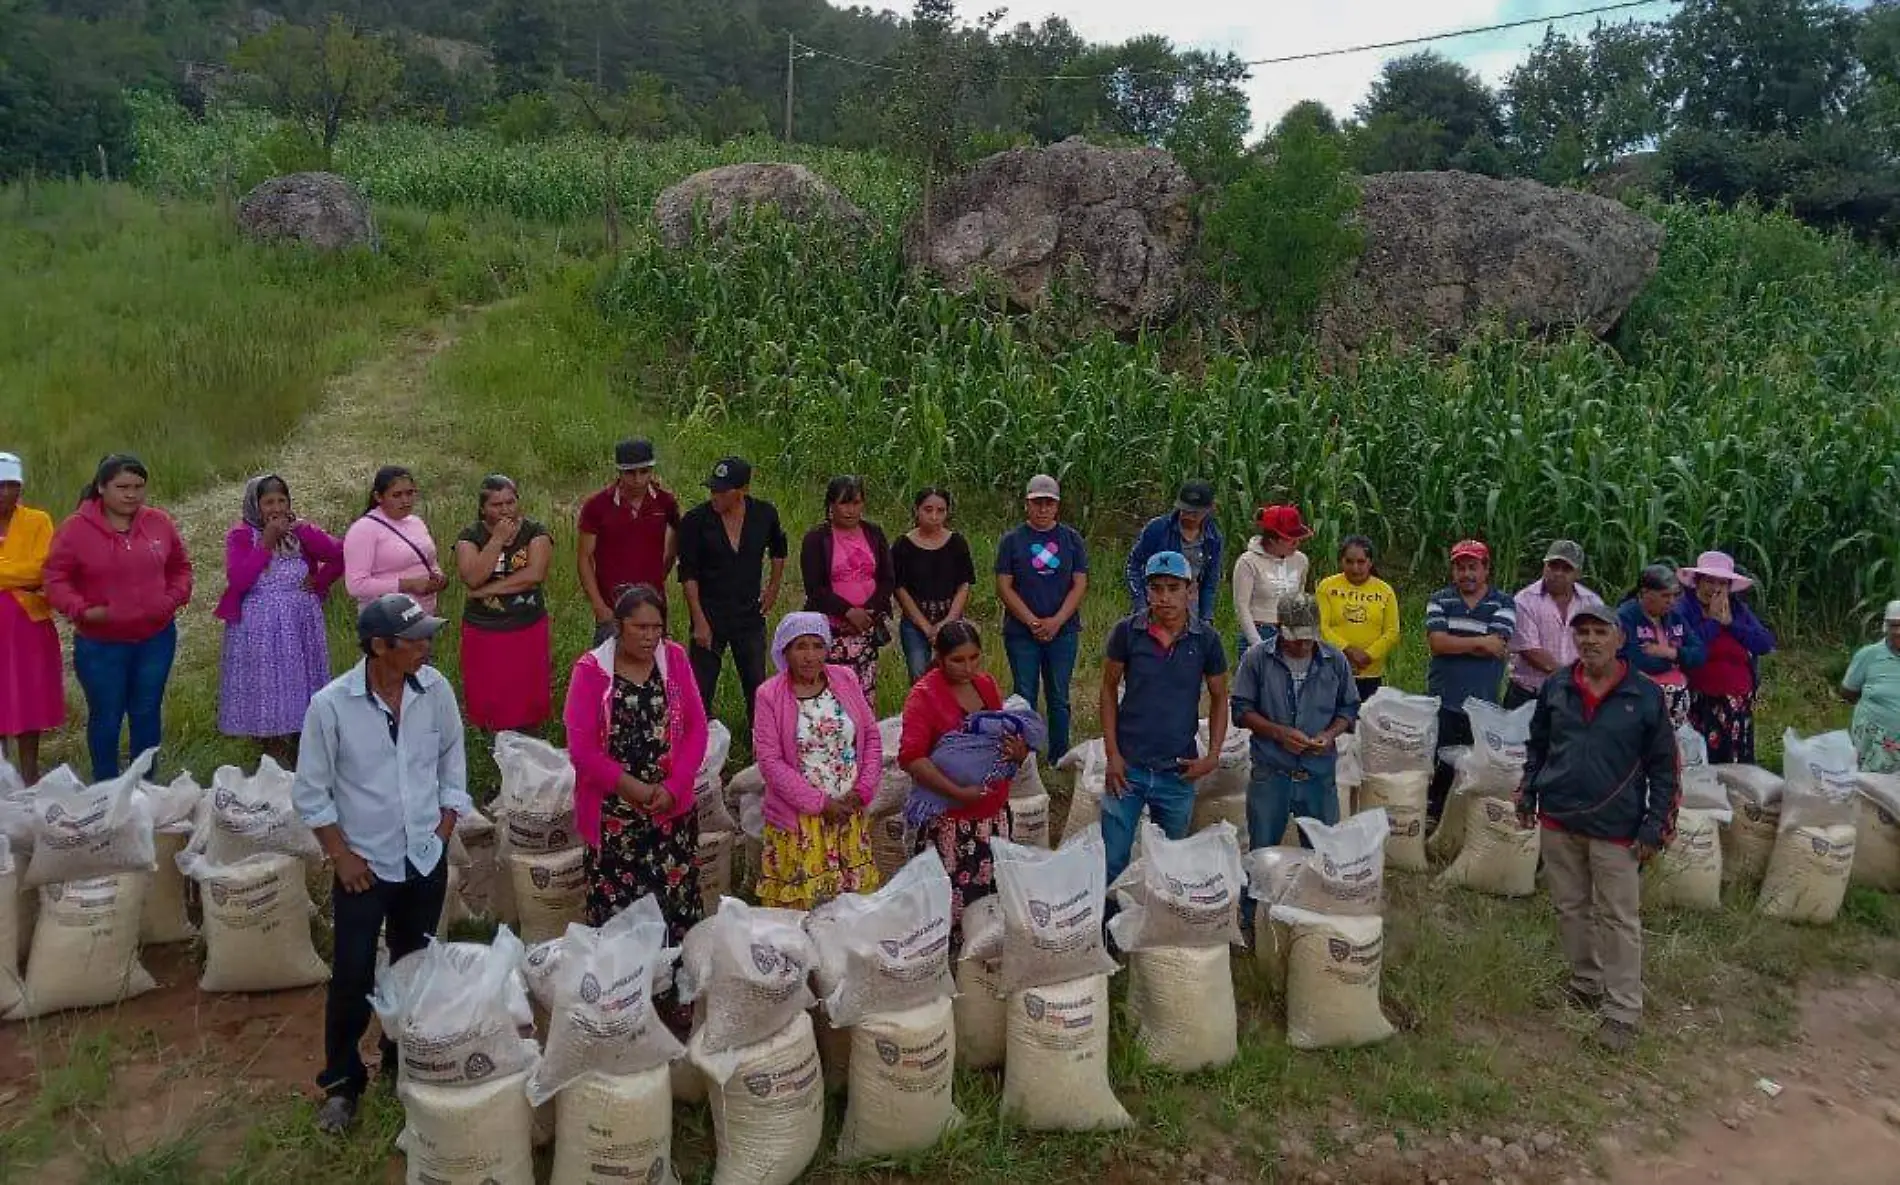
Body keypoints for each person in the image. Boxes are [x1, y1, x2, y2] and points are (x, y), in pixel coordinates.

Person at [292, 593, 471, 1135]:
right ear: (379, 646)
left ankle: (401, 1061)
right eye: (415, 639)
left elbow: (451, 759)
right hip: (364, 865)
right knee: (350, 973)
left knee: (411, 966)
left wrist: (443, 829)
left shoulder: (434, 690)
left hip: (423, 857)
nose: (426, 647)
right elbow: (311, 791)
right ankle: (343, 1083)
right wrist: (340, 855)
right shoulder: (331, 705)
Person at [1515, 602, 1676, 1053]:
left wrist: (1655, 827)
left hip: (1616, 827)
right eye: (1582, 631)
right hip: (1560, 818)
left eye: (1599, 631)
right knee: (1571, 908)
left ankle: (1623, 1010)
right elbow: (1538, 745)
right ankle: (1586, 983)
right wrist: (1528, 792)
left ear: (1620, 638)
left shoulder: (1643, 696)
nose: (1589, 639)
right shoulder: (1558, 686)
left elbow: (1665, 768)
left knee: (1619, 918)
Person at [563, 584, 708, 1009]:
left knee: (675, 902)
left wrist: (673, 786)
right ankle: (624, 998)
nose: (649, 636)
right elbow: (582, 749)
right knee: (620, 909)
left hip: (670, 811)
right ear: (617, 626)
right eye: (639, 627)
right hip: (615, 814)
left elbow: (697, 729)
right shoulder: (591, 671)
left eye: (657, 628)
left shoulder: (675, 659)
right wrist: (633, 788)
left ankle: (677, 995)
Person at [43, 454, 193, 780]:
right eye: (122, 486)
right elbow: (55, 579)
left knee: (146, 713)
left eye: (139, 487)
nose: (131, 494)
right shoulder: (75, 530)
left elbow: (180, 568)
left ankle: (145, 786)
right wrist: (81, 610)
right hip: (101, 645)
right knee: (107, 717)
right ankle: (107, 789)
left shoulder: (158, 523)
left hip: (156, 638)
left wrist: (171, 600)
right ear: (101, 487)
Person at [1100, 552, 1228, 887]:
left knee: (1170, 862)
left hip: (1177, 771)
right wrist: (1112, 754)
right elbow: (1108, 689)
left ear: (1191, 590)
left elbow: (1219, 697)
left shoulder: (1206, 640)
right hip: (1127, 769)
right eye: (1157, 588)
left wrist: (1212, 756)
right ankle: (1107, 928)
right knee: (1113, 859)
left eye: (1174, 588)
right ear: (1146, 591)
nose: (1165, 597)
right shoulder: (1127, 633)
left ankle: (1157, 930)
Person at [899, 620, 1026, 945]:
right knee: (946, 900)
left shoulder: (985, 685)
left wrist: (1018, 751)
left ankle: (979, 955)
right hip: (950, 822)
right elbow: (912, 757)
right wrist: (957, 793)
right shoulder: (924, 696)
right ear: (939, 658)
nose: (968, 667)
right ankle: (946, 960)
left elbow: (999, 735)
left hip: (990, 812)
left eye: (974, 658)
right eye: (958, 660)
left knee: (986, 900)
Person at [752, 612, 883, 909]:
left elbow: (871, 736)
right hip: (803, 822)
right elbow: (770, 762)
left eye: (817, 645)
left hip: (849, 813)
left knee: (850, 911)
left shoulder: (845, 679)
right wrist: (821, 804)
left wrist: (861, 791)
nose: (810, 656)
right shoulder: (769, 695)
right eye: (800, 646)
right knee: (805, 913)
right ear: (784, 651)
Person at [1231, 593, 1359, 884]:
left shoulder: (1334, 660)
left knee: (1323, 853)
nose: (1303, 645)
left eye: (1308, 637)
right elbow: (1240, 709)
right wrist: (1279, 733)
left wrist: (1329, 734)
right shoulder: (1257, 659)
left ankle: (1314, 916)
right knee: (1262, 854)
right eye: (1295, 638)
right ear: (1278, 626)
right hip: (1271, 771)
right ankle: (1255, 919)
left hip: (1318, 775)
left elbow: (1349, 707)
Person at [215, 474, 344, 763]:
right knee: (268, 681)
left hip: (300, 620)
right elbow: (239, 580)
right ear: (255, 505)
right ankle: (270, 743)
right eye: (268, 502)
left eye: (282, 501)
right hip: (259, 624)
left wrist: (320, 581)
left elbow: (340, 554)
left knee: (301, 675)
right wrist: (266, 543)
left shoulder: (300, 531)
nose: (276, 508)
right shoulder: (241, 535)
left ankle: (304, 738)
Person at [677, 457, 787, 724]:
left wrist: (773, 586)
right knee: (701, 687)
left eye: (722, 492)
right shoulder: (695, 521)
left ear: (742, 491)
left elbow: (779, 548)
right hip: (710, 612)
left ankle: (760, 741)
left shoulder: (764, 514)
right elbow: (688, 573)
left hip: (748, 613)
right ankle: (700, 742)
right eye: (712, 490)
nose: (715, 496)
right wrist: (699, 621)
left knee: (756, 683)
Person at [994, 475, 1088, 761]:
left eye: (1049, 503)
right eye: (1037, 503)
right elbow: (1004, 585)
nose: (1043, 509)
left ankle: (1059, 755)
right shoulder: (1012, 540)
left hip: (1064, 631)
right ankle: (1026, 755)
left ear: (1057, 506)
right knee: (1025, 693)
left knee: (1059, 696)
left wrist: (1057, 620)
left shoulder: (1071, 540)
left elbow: (1079, 583)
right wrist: (1032, 621)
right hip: (1022, 632)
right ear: (1027, 504)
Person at [1425, 539, 1517, 820]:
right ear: (1453, 571)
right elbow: (1438, 643)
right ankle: (1436, 818)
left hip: (1482, 702)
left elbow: (1497, 646)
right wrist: (1480, 643)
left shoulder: (1503, 602)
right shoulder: (1440, 599)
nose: (1466, 574)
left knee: (1477, 766)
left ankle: (1467, 820)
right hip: (1445, 697)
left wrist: (1459, 642)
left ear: (1485, 569)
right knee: (1442, 763)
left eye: (1473, 567)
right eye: (1460, 567)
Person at [454, 475, 554, 732]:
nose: (505, 510)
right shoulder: (470, 537)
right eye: (496, 505)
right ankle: (490, 738)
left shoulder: (535, 531)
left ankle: (528, 734)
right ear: (482, 508)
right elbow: (473, 576)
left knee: (525, 687)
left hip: (526, 624)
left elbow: (534, 575)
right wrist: (497, 540)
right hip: (485, 627)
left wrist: (488, 590)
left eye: (510, 502)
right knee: (490, 690)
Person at [578, 438, 680, 645]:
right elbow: (584, 558)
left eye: (644, 472)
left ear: (651, 469)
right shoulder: (597, 506)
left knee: (655, 671)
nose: (638, 480)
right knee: (609, 671)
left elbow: (677, 537)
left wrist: (662, 572)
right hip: (612, 607)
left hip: (653, 607)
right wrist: (598, 605)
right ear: (619, 472)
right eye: (630, 473)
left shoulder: (665, 502)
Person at [0, 452, 63, 785]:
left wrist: (25, 575)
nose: (4, 493)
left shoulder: (38, 521)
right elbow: (28, 573)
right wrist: (20, 577)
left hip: (28, 627)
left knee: (27, 700)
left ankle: (29, 777)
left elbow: (43, 568)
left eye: (10, 485)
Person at [1677, 551, 1776, 764]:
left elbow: (1765, 643)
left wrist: (1730, 624)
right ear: (1697, 582)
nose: (1715, 589)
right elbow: (1686, 647)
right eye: (1709, 581)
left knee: (1738, 760)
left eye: (1722, 583)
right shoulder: (1684, 609)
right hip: (1702, 700)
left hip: (1738, 702)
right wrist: (1713, 622)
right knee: (1706, 759)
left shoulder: (1739, 611)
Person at [800, 475, 895, 696]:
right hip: (832, 630)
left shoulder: (873, 533)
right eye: (844, 503)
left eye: (856, 503)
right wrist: (848, 612)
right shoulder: (816, 539)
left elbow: (888, 578)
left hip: (867, 628)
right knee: (833, 694)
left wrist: (867, 613)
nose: (850, 510)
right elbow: (814, 588)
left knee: (864, 693)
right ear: (831, 504)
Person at [1506, 541, 1605, 710]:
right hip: (1530, 696)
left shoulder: (1592, 603)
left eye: (1566, 568)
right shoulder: (1524, 600)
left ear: (1578, 573)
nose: (1558, 573)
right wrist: (1574, 680)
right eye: (1553, 566)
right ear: (1544, 566)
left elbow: (1601, 644)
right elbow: (1530, 651)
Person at [892, 487, 976, 684]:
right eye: (928, 510)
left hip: (951, 618)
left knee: (955, 675)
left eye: (940, 510)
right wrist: (926, 627)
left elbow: (964, 584)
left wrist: (948, 621)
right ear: (917, 510)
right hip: (915, 622)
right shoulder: (903, 545)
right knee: (919, 676)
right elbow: (900, 588)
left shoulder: (956, 543)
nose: (934, 516)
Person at [343, 466, 445, 614]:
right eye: (397, 495)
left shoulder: (416, 522)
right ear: (379, 497)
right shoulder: (364, 530)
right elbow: (356, 585)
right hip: (386, 619)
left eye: (410, 493)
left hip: (423, 615)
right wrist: (407, 585)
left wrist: (439, 578)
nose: (405, 501)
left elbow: (430, 562)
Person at [1124, 480, 1224, 626]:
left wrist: (1206, 616)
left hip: (1190, 605)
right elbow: (1133, 565)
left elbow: (1210, 581)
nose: (1189, 516)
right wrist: (1141, 604)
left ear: (1208, 510)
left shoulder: (1214, 538)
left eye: (1195, 513)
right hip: (1156, 603)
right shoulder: (1157, 529)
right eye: (1185, 511)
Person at [1617, 564, 1705, 728]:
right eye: (1665, 596)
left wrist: (1670, 653)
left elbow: (1700, 654)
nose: (1671, 601)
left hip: (1676, 707)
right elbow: (1635, 660)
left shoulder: (1676, 617)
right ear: (1644, 593)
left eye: (1674, 595)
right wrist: (1678, 660)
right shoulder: (1625, 617)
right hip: (1638, 701)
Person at [1316, 535, 1400, 703]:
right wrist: (1347, 650)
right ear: (1341, 561)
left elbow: (1392, 631)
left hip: (1370, 672)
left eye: (1361, 562)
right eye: (1349, 562)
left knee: (1365, 722)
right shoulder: (1327, 587)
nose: (1355, 568)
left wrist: (1367, 656)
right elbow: (1321, 627)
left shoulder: (1385, 590)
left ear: (1370, 562)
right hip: (1333, 668)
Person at [1232, 503, 1313, 656]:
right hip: (1260, 629)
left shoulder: (1301, 561)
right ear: (1274, 539)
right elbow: (1242, 606)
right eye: (1291, 540)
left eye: (1298, 539)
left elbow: (1299, 598)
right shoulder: (1248, 562)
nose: (1297, 544)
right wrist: (1257, 643)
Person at [1842, 600, 1900, 773]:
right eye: (1894, 626)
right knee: (1873, 790)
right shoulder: (1869, 655)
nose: (1899, 631)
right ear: (1885, 627)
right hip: (1875, 739)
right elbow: (1848, 691)